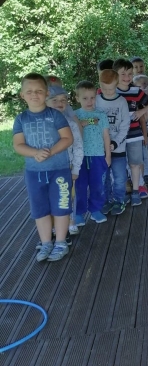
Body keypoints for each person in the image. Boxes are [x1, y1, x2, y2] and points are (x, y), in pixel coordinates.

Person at [13, 74, 73, 262]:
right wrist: (35, 153)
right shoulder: (21, 119)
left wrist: (51, 151)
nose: (34, 95)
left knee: (61, 206)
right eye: (29, 91)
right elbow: (18, 145)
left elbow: (68, 138)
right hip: (34, 173)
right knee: (40, 209)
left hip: (59, 170)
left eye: (39, 91)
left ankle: (61, 242)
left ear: (47, 93)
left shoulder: (55, 115)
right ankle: (46, 242)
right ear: (22, 95)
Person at [46, 83, 83, 236]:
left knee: (69, 196)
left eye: (63, 100)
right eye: (54, 100)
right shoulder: (43, 124)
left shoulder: (72, 124)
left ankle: (71, 221)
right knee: (51, 197)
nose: (60, 103)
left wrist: (76, 168)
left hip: (67, 167)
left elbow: (78, 147)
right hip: (47, 167)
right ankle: (54, 225)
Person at [114, 58, 148, 205]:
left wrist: (142, 111)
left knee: (135, 163)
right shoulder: (109, 92)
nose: (127, 77)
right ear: (115, 75)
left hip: (134, 134)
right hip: (116, 136)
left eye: (130, 74)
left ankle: (136, 189)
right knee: (118, 164)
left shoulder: (136, 91)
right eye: (123, 74)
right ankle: (121, 191)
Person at [73, 80, 111, 226]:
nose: (89, 101)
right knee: (80, 186)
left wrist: (108, 155)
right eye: (85, 98)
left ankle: (95, 209)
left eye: (92, 97)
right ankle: (78, 212)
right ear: (77, 98)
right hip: (79, 157)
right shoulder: (74, 115)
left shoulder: (101, 115)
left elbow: (106, 136)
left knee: (98, 185)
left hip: (98, 156)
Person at [96, 68, 130, 215]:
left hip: (118, 148)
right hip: (100, 148)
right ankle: (106, 200)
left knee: (120, 177)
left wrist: (115, 143)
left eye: (110, 89)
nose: (107, 92)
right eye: (104, 88)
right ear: (99, 85)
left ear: (116, 85)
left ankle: (119, 200)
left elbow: (125, 125)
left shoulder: (121, 102)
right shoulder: (96, 100)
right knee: (103, 177)